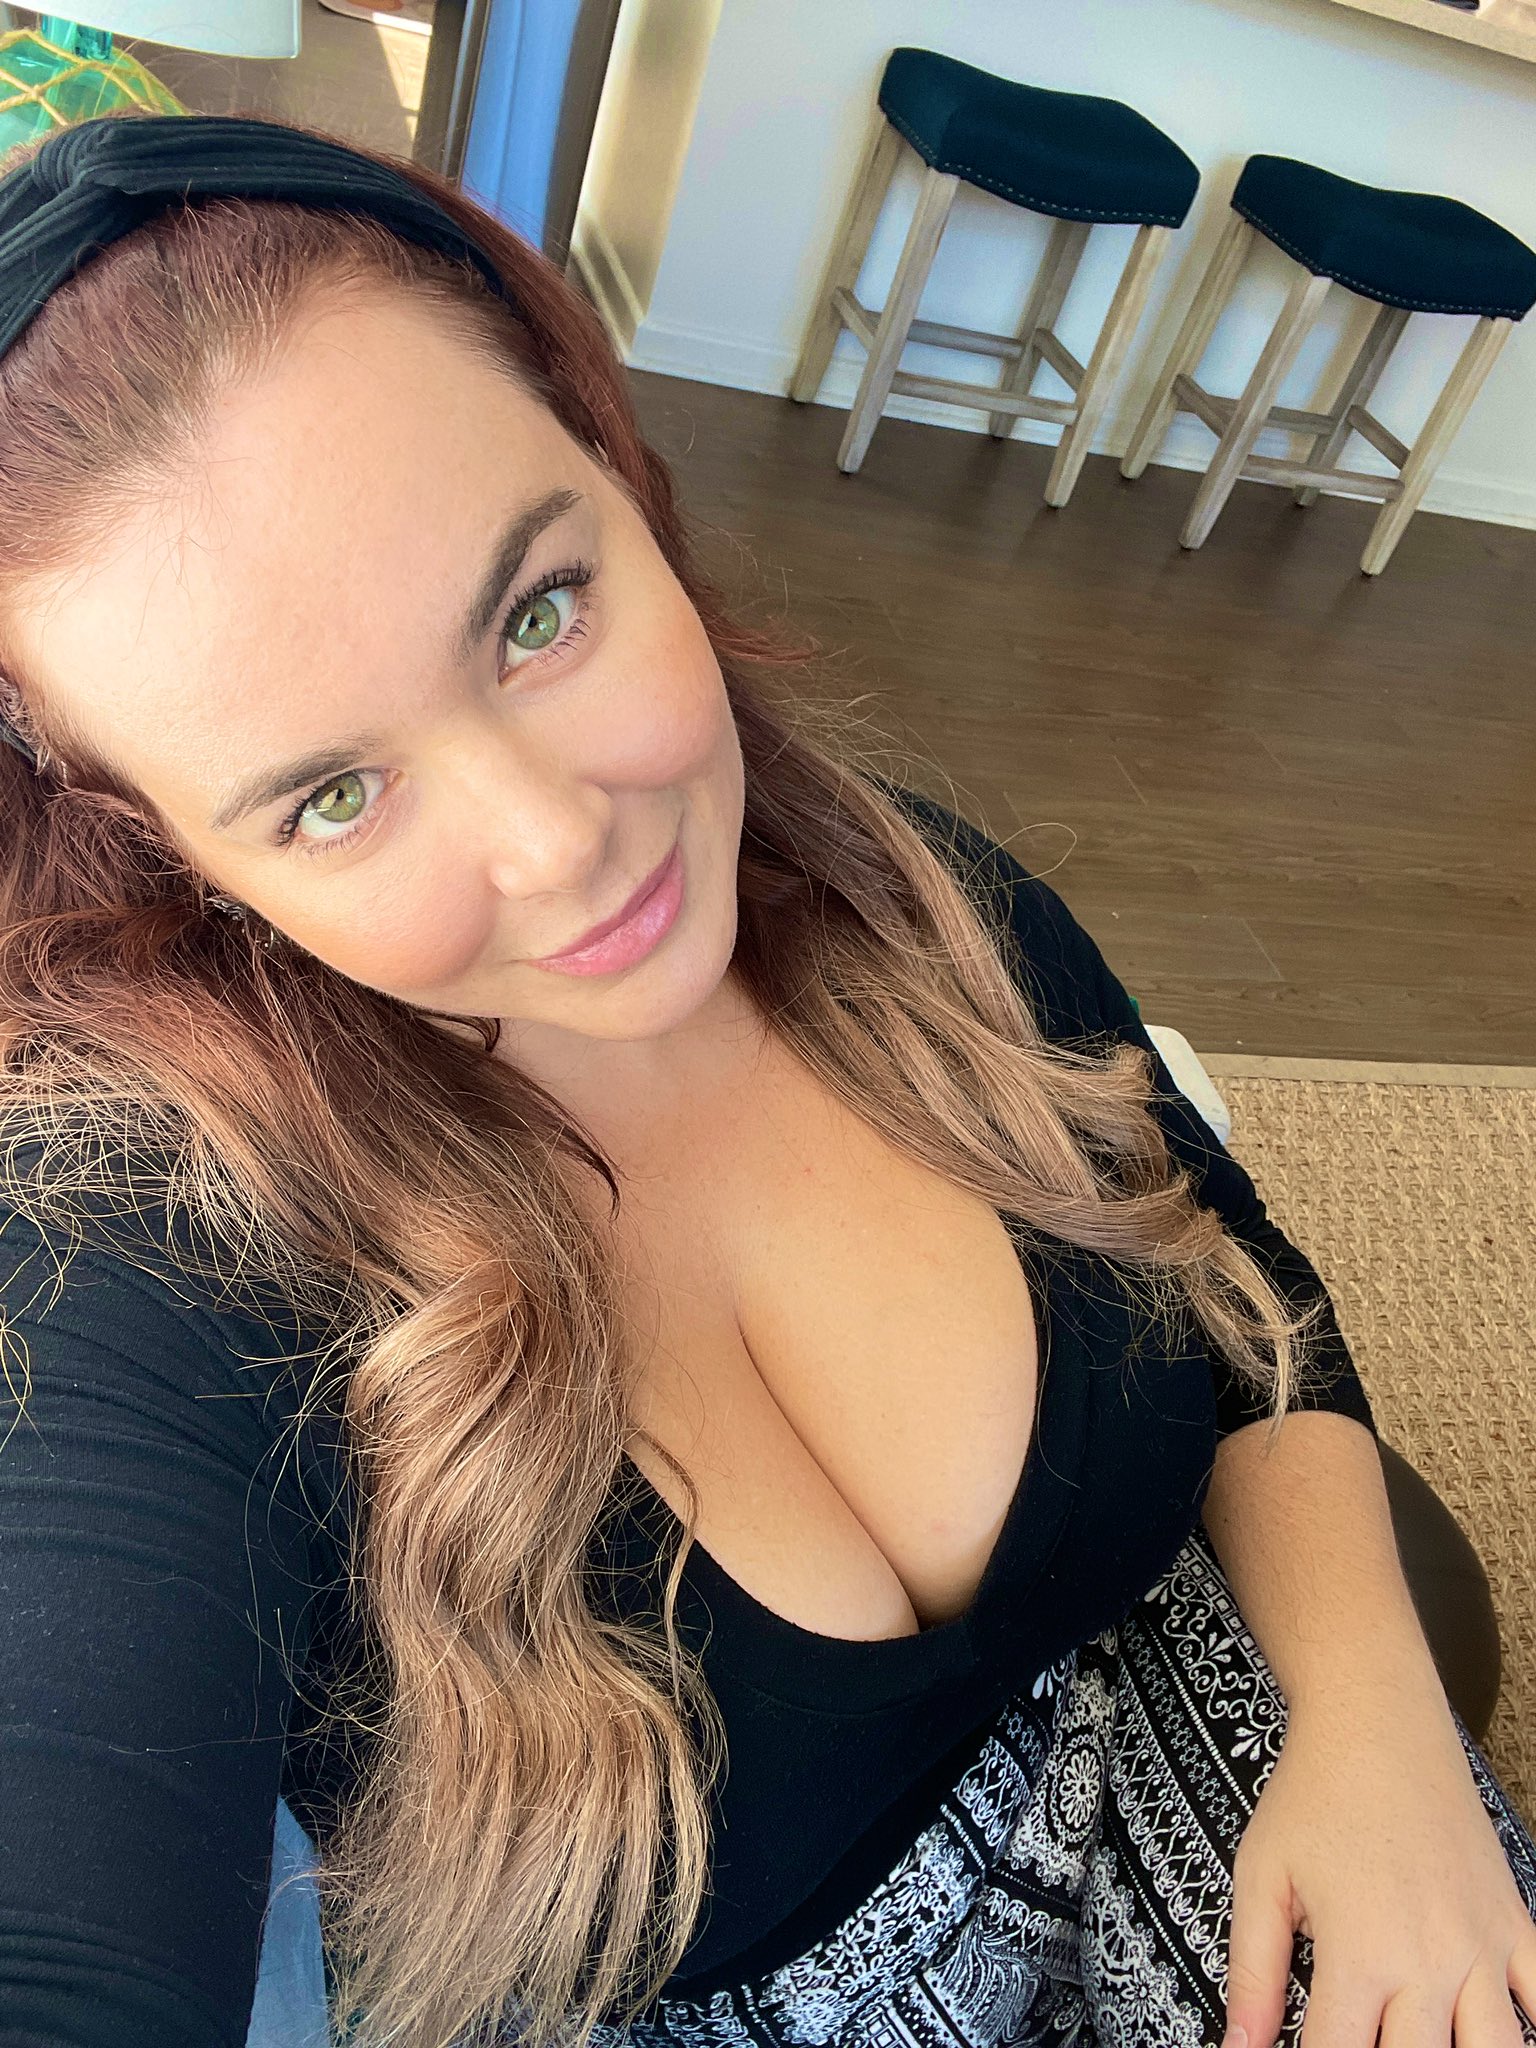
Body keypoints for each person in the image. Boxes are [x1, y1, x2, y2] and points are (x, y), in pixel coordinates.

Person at [0, 108, 1531, 2048]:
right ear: (162, 850)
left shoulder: (910, 896)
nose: (562, 845)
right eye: (328, 796)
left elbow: (1231, 1271)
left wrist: (1377, 1720)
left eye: (539, 612)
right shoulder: (142, 1261)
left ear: (619, 468)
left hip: (1163, 1703)